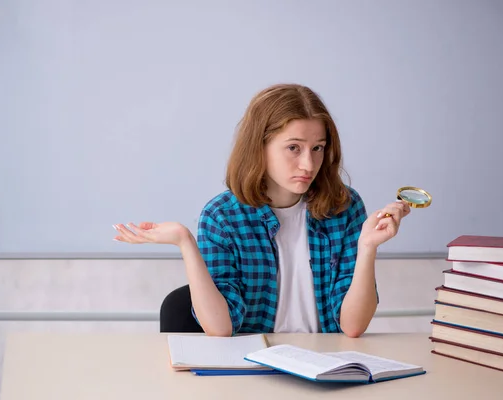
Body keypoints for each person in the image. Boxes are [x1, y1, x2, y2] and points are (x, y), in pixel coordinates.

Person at [112, 83, 410, 337]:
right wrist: (185, 242)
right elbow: (220, 328)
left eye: (317, 148)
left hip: (326, 364)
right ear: (260, 147)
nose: (308, 164)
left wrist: (367, 247)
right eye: (294, 147)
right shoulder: (223, 216)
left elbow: (353, 327)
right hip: (254, 369)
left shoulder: (344, 206)